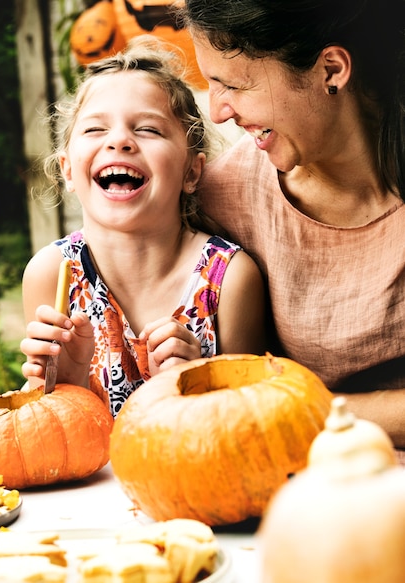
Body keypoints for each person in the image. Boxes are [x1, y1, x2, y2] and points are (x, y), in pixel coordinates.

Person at [182, 0, 405, 447]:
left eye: (234, 85)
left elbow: (258, 405)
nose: (220, 111)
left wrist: (301, 410)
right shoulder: (225, 199)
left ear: (331, 70)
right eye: (211, 84)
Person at [19, 38, 266, 417]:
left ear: (191, 171)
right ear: (68, 170)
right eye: (95, 130)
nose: (120, 141)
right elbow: (44, 430)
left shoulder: (229, 280)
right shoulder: (52, 274)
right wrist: (69, 384)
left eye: (148, 129)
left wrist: (198, 387)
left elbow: (252, 420)